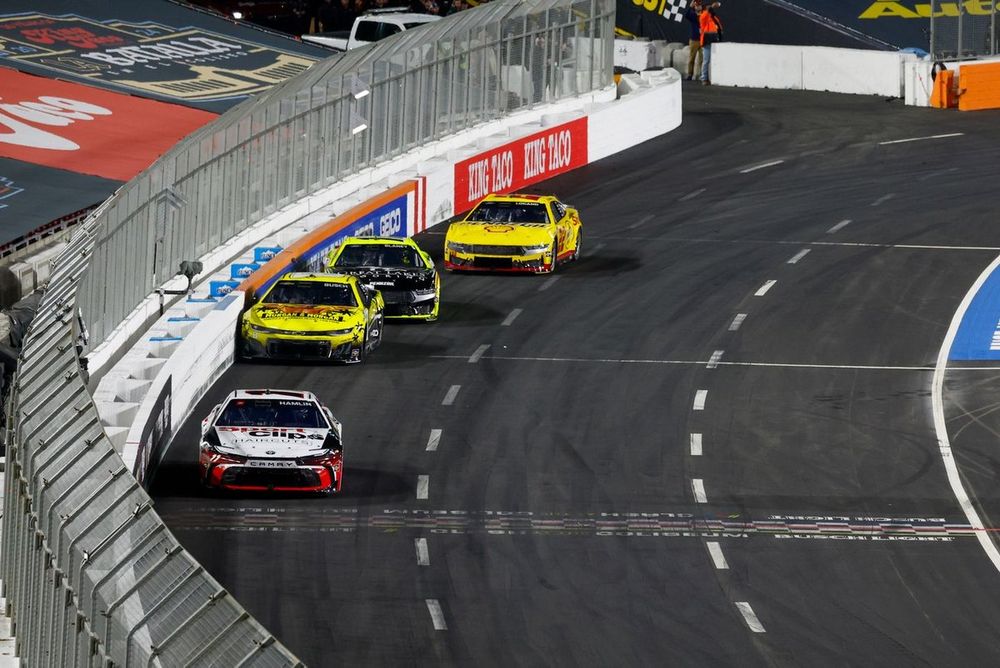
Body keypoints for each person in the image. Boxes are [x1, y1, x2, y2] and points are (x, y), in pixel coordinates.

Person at [699, 1, 723, 85]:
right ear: (705, 9)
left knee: (713, 61)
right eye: (708, 7)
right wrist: (711, 7)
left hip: (714, 41)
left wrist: (720, 35)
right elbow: (706, 14)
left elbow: (719, 26)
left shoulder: (713, 17)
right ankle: (704, 78)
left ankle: (712, 78)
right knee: (706, 61)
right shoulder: (703, 16)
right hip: (706, 41)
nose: (710, 8)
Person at [684, 0, 703, 82]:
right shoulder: (693, 15)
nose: (698, 7)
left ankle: (702, 75)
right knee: (692, 58)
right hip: (694, 40)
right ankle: (690, 74)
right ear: (694, 7)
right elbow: (686, 15)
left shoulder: (704, 15)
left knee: (702, 60)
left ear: (701, 7)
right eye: (696, 6)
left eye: (699, 5)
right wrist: (690, 7)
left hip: (702, 40)